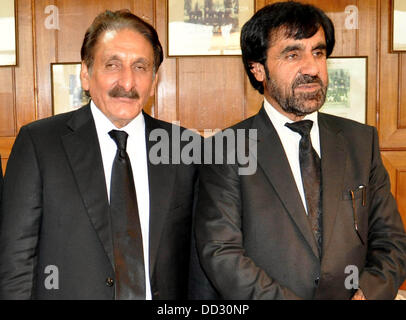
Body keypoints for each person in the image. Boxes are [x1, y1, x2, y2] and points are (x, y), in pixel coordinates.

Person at [195, 1, 406, 300]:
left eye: (318, 53)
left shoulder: (361, 142)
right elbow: (222, 253)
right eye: (292, 54)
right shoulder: (225, 150)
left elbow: (392, 241)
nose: (311, 67)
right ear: (258, 69)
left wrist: (367, 294)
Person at [0, 10, 203, 300]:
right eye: (112, 65)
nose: (128, 82)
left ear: (154, 79)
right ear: (85, 74)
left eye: (141, 67)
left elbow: (200, 260)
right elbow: (16, 261)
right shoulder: (39, 144)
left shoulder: (185, 148)